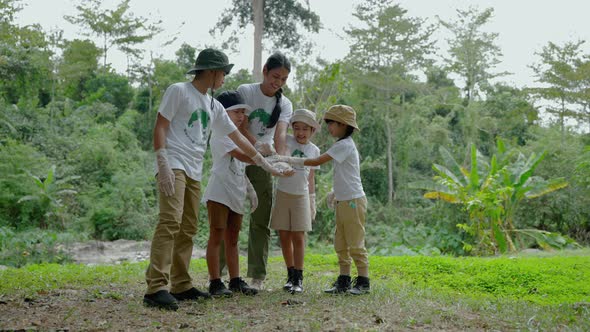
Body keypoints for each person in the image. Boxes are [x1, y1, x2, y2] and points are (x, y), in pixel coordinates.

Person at [143, 48, 288, 311]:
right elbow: (161, 126)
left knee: (187, 227)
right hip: (174, 163)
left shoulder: (213, 104)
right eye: (223, 73)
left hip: (194, 170)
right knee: (170, 222)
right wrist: (162, 161)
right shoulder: (179, 91)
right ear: (211, 72)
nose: (225, 78)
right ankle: (156, 287)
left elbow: (239, 138)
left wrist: (265, 163)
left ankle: (181, 284)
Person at [277, 105, 370, 295]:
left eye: (332, 124)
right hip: (343, 200)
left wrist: (288, 160)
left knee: (355, 242)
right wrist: (335, 192)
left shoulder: (344, 145)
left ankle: (363, 281)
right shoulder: (341, 145)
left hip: (353, 201)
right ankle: (344, 280)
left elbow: (316, 161)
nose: (329, 128)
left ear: (343, 125)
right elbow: (345, 174)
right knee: (341, 242)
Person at [237, 52, 293, 290]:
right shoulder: (246, 91)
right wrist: (256, 145)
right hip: (237, 157)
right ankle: (219, 276)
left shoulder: (285, 104)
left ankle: (257, 277)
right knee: (230, 216)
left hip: (263, 164)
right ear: (265, 71)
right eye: (275, 76)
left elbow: (280, 134)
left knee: (261, 219)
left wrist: (279, 160)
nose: (278, 82)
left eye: (283, 79)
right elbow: (238, 125)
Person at [202, 91, 259, 297]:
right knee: (217, 235)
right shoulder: (220, 134)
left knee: (233, 239)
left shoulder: (239, 137)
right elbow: (242, 156)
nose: (241, 116)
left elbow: (241, 168)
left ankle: (235, 280)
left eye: (243, 112)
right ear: (223, 113)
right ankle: (215, 281)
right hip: (219, 191)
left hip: (236, 192)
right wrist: (266, 160)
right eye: (236, 112)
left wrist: (250, 190)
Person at [270, 109, 320, 294]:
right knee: (284, 235)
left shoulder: (314, 150)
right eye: (297, 128)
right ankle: (290, 275)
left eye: (305, 129)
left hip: (301, 195)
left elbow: (311, 177)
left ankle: (299, 277)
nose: (300, 132)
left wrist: (312, 200)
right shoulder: (287, 142)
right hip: (283, 193)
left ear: (312, 130)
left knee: (298, 237)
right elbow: (276, 145)